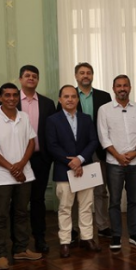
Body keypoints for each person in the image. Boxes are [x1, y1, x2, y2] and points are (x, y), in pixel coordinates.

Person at [0, 83, 43, 269]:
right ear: (0, 97)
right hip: (2, 177)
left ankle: (21, 249)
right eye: (7, 95)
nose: (11, 98)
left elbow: (32, 142)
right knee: (1, 216)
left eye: (15, 95)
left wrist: (21, 165)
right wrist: (12, 168)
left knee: (22, 213)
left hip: (25, 175)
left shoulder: (24, 117)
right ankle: (1, 254)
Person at [47, 85, 100, 257]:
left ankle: (87, 238)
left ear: (77, 99)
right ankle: (65, 241)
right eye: (66, 96)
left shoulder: (86, 118)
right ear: (60, 99)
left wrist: (80, 160)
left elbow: (93, 141)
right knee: (65, 207)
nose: (70, 99)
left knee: (86, 206)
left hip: (85, 169)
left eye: (73, 96)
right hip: (64, 170)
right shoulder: (52, 120)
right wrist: (71, 162)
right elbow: (52, 145)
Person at [97, 75, 136, 250]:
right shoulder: (104, 110)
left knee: (134, 200)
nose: (122, 88)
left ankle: (134, 234)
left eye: (125, 85)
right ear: (113, 88)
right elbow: (103, 137)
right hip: (113, 163)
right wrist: (118, 156)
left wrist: (134, 152)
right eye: (118, 86)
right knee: (115, 201)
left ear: (130, 87)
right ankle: (116, 236)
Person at [17, 64, 57, 253]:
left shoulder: (48, 104)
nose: (31, 78)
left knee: (38, 200)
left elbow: (52, 132)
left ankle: (39, 238)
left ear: (38, 80)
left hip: (41, 159)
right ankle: (18, 241)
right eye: (27, 75)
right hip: (17, 161)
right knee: (18, 201)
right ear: (20, 79)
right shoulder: (11, 100)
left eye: (34, 75)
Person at [73, 62, 113, 238]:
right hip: (76, 152)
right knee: (77, 191)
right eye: (82, 73)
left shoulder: (104, 97)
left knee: (100, 190)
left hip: (99, 150)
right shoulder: (69, 95)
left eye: (88, 72)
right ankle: (76, 228)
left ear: (93, 75)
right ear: (76, 76)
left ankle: (102, 225)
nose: (85, 76)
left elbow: (111, 123)